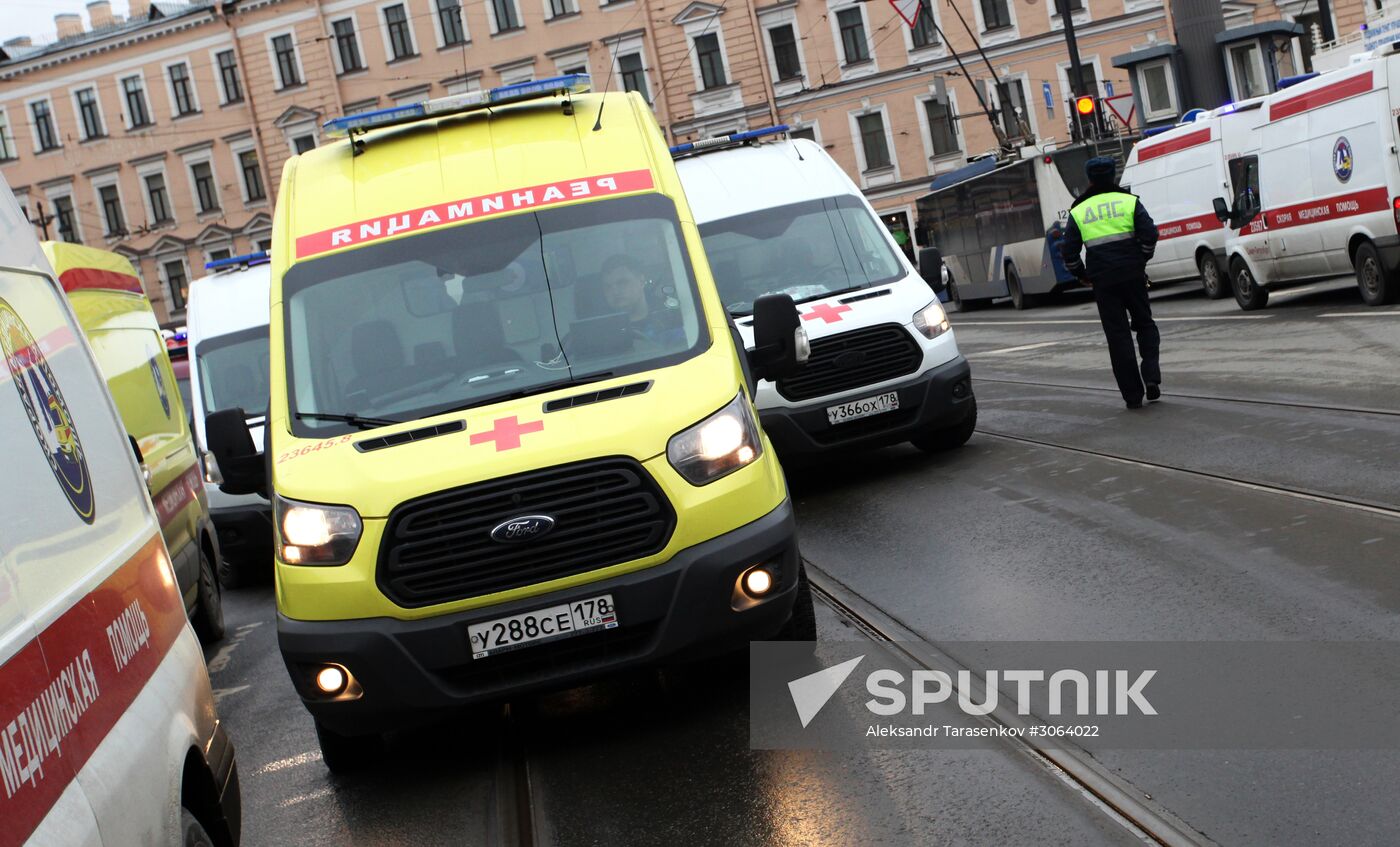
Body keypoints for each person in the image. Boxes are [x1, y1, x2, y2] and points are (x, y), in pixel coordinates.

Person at [1060, 157, 1162, 409]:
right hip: (1133, 275)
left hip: (1103, 281)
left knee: (1118, 337)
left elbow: (1068, 253)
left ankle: (1132, 395)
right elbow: (1150, 234)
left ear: (1090, 179)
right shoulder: (1129, 201)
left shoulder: (1079, 210)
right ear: (1113, 176)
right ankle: (1151, 375)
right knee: (1145, 324)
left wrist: (1082, 275)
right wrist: (1141, 259)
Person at [597, 254, 683, 345]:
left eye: (622, 283)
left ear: (641, 281)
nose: (615, 291)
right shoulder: (600, 333)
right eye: (607, 287)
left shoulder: (672, 318)